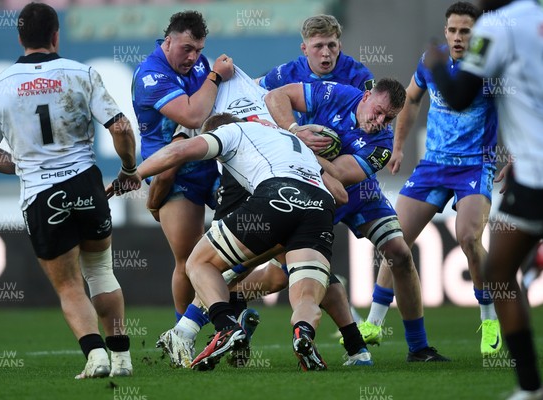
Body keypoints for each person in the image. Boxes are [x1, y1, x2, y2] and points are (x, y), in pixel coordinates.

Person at [156, 67, 372, 369]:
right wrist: (315, 163)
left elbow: (174, 156)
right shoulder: (278, 136)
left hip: (262, 205)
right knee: (306, 278)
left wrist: (146, 190)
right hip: (305, 205)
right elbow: (339, 193)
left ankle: (197, 330)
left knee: (209, 268)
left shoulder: (229, 142)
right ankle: (355, 348)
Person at [0, 2, 140, 379]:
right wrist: (129, 169)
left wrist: (25, 166)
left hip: (41, 194)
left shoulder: (0, 84)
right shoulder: (82, 74)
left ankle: (95, 356)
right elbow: (121, 128)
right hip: (85, 182)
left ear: (20, 38)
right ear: (56, 35)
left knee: (68, 285)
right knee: (101, 273)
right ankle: (123, 359)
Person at [125, 113, 343, 371]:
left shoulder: (232, 132)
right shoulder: (288, 139)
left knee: (199, 262)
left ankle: (226, 327)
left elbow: (179, 151)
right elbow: (340, 194)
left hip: (277, 195)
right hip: (320, 205)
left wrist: (134, 173)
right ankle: (303, 333)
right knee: (306, 294)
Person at [428, 0, 543, 398]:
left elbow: (459, 94)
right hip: (540, 169)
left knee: (500, 275)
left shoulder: (496, 26)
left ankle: (531, 386)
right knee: (500, 273)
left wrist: (435, 62)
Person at [265, 78, 450, 361]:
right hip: (313, 194)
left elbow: (339, 175)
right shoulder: (334, 93)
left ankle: (418, 347)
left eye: (388, 118)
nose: (379, 121)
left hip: (359, 195)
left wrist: (302, 149)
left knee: (400, 253)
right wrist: (294, 130)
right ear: (365, 96)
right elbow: (276, 96)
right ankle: (224, 305)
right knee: (281, 271)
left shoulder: (383, 144)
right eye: (377, 111)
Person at [362, 1, 501, 357]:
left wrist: (512, 155)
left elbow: (516, 110)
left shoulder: (491, 66)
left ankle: (489, 320)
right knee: (394, 240)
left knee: (469, 237)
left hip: (474, 165)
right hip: (433, 165)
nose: (457, 37)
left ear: (478, 33)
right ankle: (374, 325)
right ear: (445, 31)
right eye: (452, 30)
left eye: (465, 31)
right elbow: (410, 99)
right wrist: (398, 147)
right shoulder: (431, 61)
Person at [131, 10, 234, 320]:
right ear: (168, 40)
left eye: (199, 50)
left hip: (208, 166)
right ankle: (183, 333)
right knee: (189, 260)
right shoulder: (151, 76)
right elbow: (192, 115)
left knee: (245, 243)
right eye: (186, 48)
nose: (193, 57)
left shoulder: (199, 63)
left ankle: (232, 313)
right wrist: (215, 76)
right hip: (174, 179)